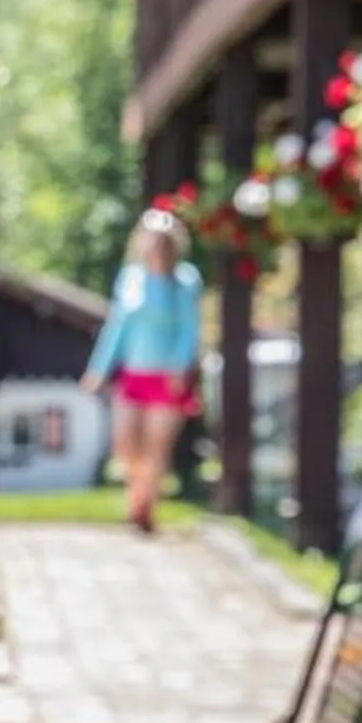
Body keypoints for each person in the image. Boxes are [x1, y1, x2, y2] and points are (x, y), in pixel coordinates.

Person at [83, 209, 204, 535]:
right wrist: (98, 369)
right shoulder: (131, 279)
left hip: (167, 376)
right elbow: (116, 329)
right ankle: (137, 492)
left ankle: (143, 504)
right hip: (133, 374)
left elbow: (190, 330)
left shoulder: (184, 281)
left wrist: (181, 367)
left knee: (156, 444)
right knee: (125, 443)